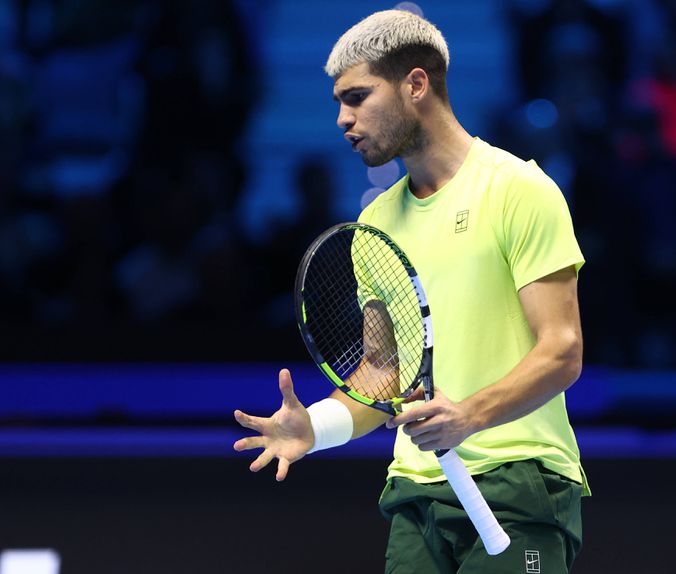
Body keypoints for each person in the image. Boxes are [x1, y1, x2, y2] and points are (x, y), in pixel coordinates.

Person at [233, 10, 588, 573]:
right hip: (415, 497)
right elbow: (383, 373)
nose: (343, 119)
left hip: (519, 483)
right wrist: (316, 427)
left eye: (356, 97)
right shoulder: (374, 224)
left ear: (416, 84)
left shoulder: (520, 189)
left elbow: (562, 350)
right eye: (337, 104)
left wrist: (468, 415)